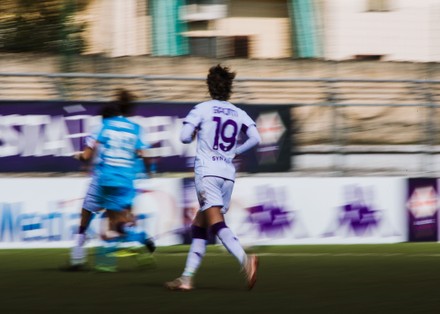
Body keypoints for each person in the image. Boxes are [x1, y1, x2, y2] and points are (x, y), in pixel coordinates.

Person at [165, 64, 262, 291]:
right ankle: (186, 278)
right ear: (229, 88)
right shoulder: (239, 113)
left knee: (217, 223)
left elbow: (184, 137)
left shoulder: (202, 109)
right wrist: (236, 151)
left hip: (207, 171)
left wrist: (195, 134)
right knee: (199, 226)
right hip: (227, 174)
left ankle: (246, 261)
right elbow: (256, 138)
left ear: (209, 86)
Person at [70, 91, 155, 271]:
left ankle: (84, 258)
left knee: (88, 216)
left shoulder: (103, 127)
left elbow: (87, 155)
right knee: (121, 221)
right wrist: (149, 172)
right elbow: (144, 154)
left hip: (103, 177)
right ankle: (139, 243)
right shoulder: (135, 128)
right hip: (127, 179)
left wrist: (79, 157)